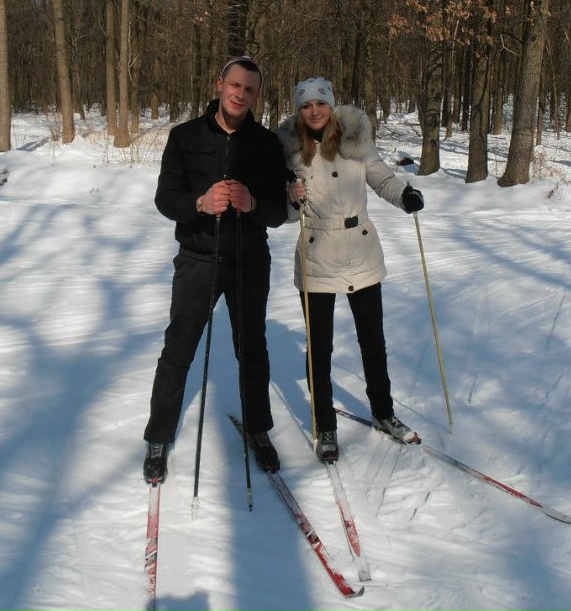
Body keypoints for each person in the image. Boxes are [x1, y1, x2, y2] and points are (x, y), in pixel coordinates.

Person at [143, 56, 288, 484]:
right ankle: (158, 435)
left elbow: (279, 212)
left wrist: (254, 204)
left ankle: (258, 429)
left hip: (249, 260)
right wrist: (198, 204)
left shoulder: (265, 144)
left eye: (250, 89)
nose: (241, 94)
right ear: (219, 84)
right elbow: (164, 198)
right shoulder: (184, 136)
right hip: (198, 258)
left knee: (253, 349)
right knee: (179, 348)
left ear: (257, 95)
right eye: (235, 85)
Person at [277, 77, 425, 463]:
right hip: (316, 255)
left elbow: (382, 179)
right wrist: (292, 200)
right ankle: (324, 425)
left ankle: (383, 413)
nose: (314, 111)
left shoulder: (356, 140)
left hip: (361, 251)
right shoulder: (290, 151)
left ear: (330, 105)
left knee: (373, 341)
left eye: (320, 103)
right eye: (306, 105)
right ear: (299, 109)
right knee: (320, 348)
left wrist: (405, 196)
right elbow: (289, 215)